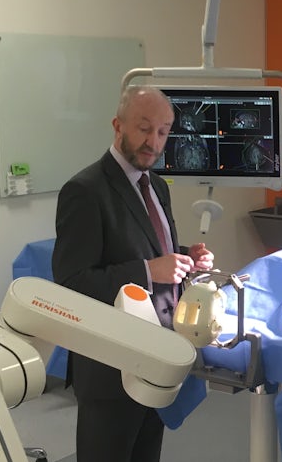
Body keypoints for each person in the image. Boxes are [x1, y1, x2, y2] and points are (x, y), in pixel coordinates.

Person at [52, 85, 214, 462]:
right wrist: (147, 271)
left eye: (163, 132)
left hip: (156, 357)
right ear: (118, 125)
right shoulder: (85, 191)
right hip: (111, 369)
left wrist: (185, 256)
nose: (153, 142)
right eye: (143, 128)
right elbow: (72, 282)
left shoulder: (155, 185)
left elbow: (149, 246)